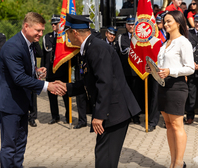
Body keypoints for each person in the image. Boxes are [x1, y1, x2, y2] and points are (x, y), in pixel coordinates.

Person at [57, 13, 141, 167]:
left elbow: (105, 83)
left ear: (74, 32)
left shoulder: (96, 48)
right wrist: (67, 87)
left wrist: (100, 115)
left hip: (113, 112)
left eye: (66, 32)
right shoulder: (91, 46)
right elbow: (92, 81)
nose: (65, 36)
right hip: (112, 110)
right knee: (104, 157)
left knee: (105, 159)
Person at [0, 12, 64, 167]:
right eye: (38, 30)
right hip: (10, 104)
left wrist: (36, 72)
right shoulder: (12, 46)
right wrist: (47, 85)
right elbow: (18, 78)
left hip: (22, 102)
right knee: (9, 146)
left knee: (20, 144)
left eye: (42, 30)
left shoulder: (30, 43)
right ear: (26, 26)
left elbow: (23, 71)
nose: (41, 34)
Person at [146, 10, 194, 168]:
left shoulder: (183, 42)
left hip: (177, 86)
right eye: (164, 21)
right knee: (168, 124)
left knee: (177, 125)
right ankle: (173, 161)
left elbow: (190, 68)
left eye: (168, 21)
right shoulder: (164, 43)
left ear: (178, 23)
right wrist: (153, 69)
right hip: (163, 86)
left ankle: (179, 163)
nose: (165, 24)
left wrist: (170, 72)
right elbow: (163, 66)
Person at [42, 14, 70, 124]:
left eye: (56, 23)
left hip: (63, 72)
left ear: (61, 24)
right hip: (51, 72)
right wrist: (43, 69)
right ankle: (55, 116)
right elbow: (44, 55)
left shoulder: (65, 37)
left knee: (66, 95)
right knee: (52, 96)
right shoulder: (47, 37)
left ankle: (68, 116)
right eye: (52, 23)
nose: (53, 25)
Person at [118, 15, 142, 125]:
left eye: (133, 24)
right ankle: (127, 116)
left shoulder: (140, 37)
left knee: (136, 95)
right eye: (129, 24)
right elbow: (119, 55)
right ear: (126, 25)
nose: (131, 26)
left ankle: (136, 116)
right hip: (125, 72)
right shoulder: (120, 37)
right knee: (125, 95)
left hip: (137, 72)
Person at [185, 13, 198, 124]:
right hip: (191, 69)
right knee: (191, 94)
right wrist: (191, 63)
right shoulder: (188, 34)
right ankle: (189, 116)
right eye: (196, 21)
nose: (197, 24)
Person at [28, 41, 43, 127]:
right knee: (25, 96)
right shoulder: (22, 44)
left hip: (33, 74)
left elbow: (40, 54)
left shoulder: (33, 45)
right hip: (24, 74)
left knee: (33, 97)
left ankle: (32, 117)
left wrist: (36, 42)